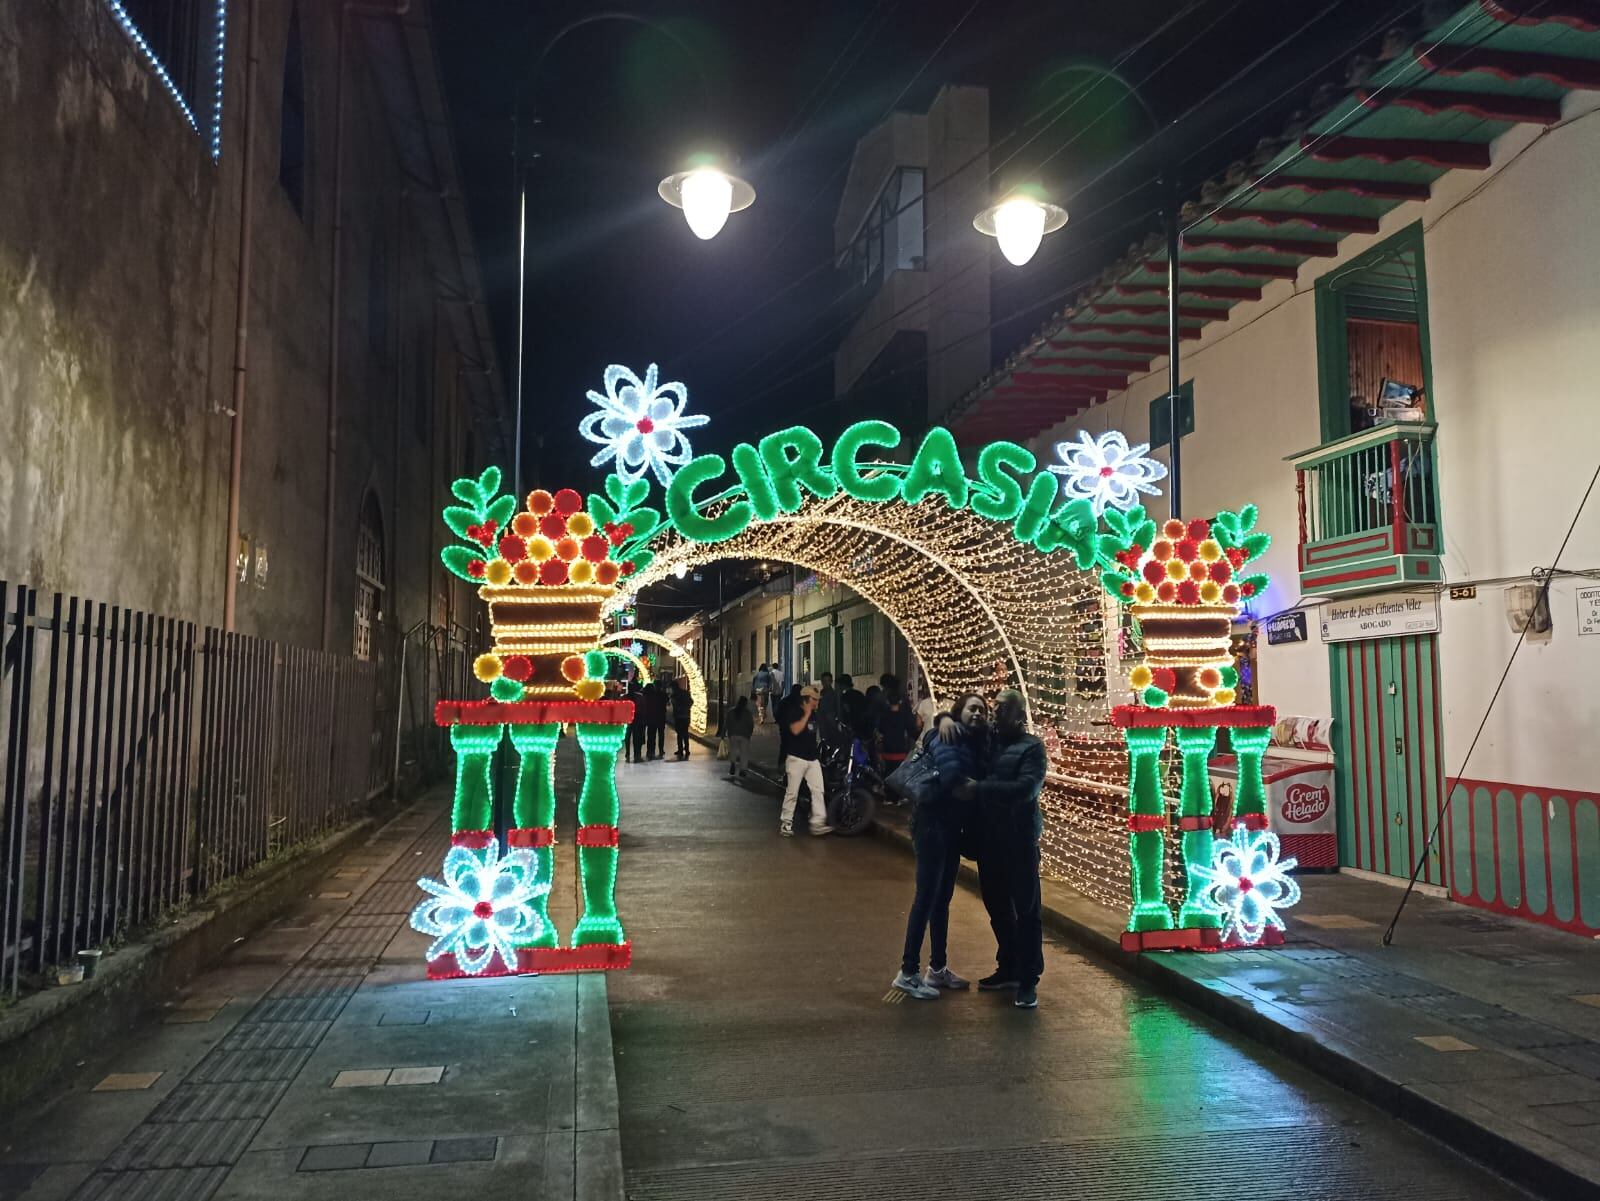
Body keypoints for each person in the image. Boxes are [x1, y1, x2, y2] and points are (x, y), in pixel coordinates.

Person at [953, 688, 1047, 1009]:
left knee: (1027, 911)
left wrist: (981, 789)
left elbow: (1026, 788)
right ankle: (1008, 966)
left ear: (1020, 715)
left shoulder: (1032, 748)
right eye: (994, 709)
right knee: (997, 909)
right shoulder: (989, 743)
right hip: (990, 840)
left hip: (1019, 840)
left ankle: (1028, 979)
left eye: (1003, 709)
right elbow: (956, 724)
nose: (995, 714)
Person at [893, 693, 988, 1000]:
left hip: (949, 829)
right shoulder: (947, 735)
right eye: (972, 708)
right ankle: (907, 972)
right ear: (959, 711)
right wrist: (982, 790)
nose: (978, 714)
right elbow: (952, 780)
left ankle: (937, 968)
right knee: (926, 897)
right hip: (932, 826)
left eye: (983, 710)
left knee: (941, 898)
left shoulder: (970, 738)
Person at [779, 684, 832, 838]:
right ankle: (786, 822)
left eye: (817, 700)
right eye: (814, 699)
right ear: (806, 699)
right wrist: (806, 715)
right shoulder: (794, 712)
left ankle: (818, 823)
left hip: (812, 758)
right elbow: (795, 730)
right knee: (792, 792)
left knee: (818, 790)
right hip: (796, 758)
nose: (816, 702)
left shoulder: (815, 714)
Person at [876, 683, 919, 776]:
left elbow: (881, 730)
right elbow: (912, 731)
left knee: (887, 774)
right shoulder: (904, 716)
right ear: (900, 701)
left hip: (887, 750)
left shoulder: (884, 716)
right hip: (900, 750)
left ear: (887, 701)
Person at [725, 695, 754, 779]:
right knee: (744, 753)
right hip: (744, 735)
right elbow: (751, 725)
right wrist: (750, 733)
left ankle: (733, 764)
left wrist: (724, 733)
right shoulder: (747, 713)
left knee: (733, 750)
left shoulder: (731, 711)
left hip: (733, 734)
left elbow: (726, 723)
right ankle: (742, 770)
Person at [670, 678, 693, 760]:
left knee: (679, 734)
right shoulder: (685, 693)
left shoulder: (674, 695)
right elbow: (691, 701)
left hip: (679, 716)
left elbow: (674, 704)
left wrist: (679, 708)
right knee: (685, 733)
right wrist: (687, 708)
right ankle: (687, 749)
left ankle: (680, 750)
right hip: (686, 716)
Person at [645, 682, 668, 760]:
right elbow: (667, 703)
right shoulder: (663, 695)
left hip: (652, 717)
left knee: (651, 735)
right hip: (661, 717)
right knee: (661, 735)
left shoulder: (651, 695)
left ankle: (650, 751)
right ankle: (661, 750)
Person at [626, 678, 647, 763]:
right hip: (638, 719)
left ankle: (627, 753)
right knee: (637, 738)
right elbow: (644, 708)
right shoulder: (640, 697)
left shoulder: (625, 697)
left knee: (628, 737)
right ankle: (637, 755)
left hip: (627, 719)